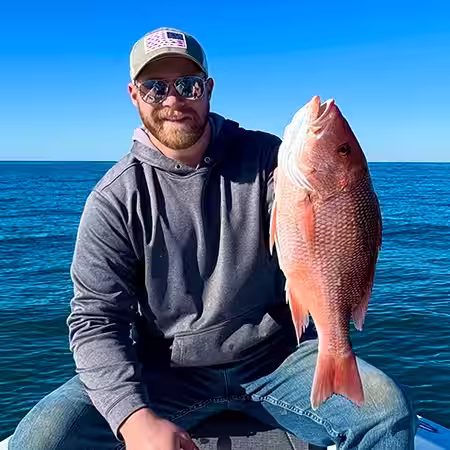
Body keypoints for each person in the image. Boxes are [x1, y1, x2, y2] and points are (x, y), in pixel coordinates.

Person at [9, 27, 417, 450]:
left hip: (277, 360)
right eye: (155, 87)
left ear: (208, 89)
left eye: (187, 84)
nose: (173, 100)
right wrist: (134, 419)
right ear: (134, 95)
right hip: (166, 371)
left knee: (388, 412)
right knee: (42, 438)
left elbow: (335, 224)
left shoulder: (267, 159)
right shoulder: (115, 199)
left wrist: (339, 181)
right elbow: (95, 320)